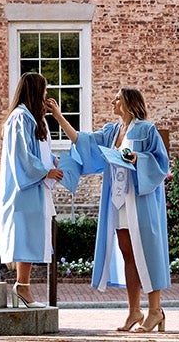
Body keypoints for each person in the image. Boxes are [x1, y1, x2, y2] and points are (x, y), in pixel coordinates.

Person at [50, 88, 170, 332]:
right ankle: (134, 311)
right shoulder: (112, 131)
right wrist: (59, 116)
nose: (113, 101)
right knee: (127, 254)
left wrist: (138, 158)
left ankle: (155, 311)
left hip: (141, 199)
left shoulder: (146, 129)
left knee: (146, 252)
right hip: (118, 200)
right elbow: (81, 141)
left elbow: (161, 162)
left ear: (128, 102)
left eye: (117, 98)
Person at [0, 72, 64, 309]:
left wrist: (53, 162)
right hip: (23, 189)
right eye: (44, 90)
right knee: (25, 235)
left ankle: (22, 285)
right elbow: (22, 155)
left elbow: (38, 150)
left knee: (31, 235)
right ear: (35, 91)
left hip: (33, 188)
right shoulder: (19, 118)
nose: (46, 95)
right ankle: (22, 287)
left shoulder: (33, 119)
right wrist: (44, 171)